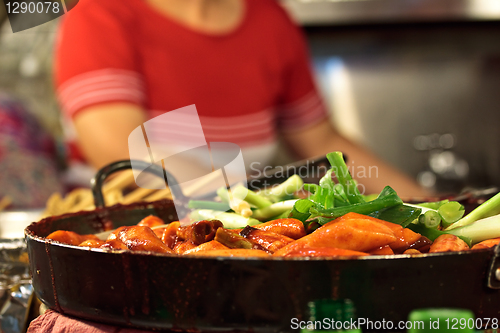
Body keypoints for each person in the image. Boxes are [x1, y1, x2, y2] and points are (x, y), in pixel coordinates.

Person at [55, 0, 428, 197]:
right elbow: (125, 152)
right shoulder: (100, 14)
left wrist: (433, 205)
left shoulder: (271, 21)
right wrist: (255, 201)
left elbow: (324, 143)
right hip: (125, 240)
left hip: (237, 239)